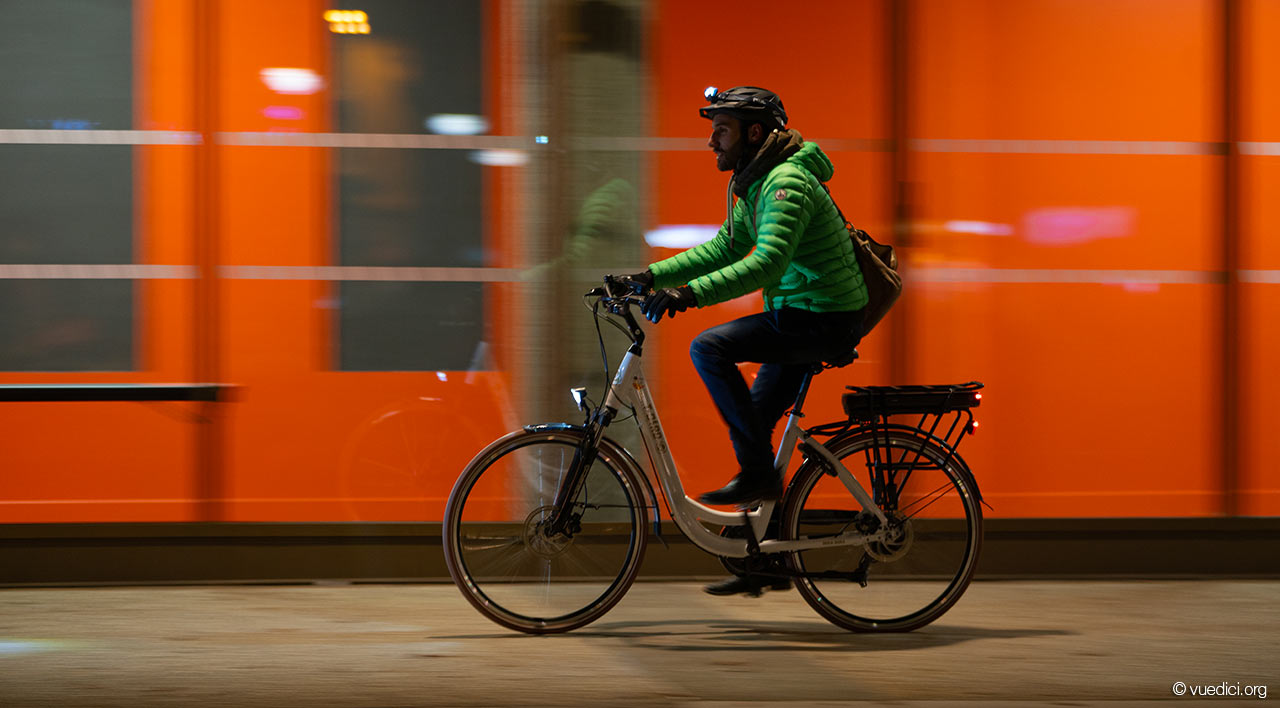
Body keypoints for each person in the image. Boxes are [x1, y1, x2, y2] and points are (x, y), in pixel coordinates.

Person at [620, 86, 869, 596]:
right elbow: (728, 246)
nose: (712, 141)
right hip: (799, 312)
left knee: (708, 348)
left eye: (722, 130)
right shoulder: (751, 181)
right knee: (754, 421)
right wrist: (649, 276)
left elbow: (765, 263)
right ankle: (765, 560)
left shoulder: (786, 182)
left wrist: (687, 295)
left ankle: (759, 480)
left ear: (755, 133)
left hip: (824, 317)